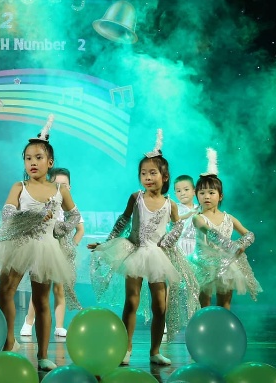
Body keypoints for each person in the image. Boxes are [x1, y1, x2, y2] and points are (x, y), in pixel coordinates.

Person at [89, 129, 198, 366]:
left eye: (152, 173)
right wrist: (107, 243)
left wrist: (168, 241)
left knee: (160, 306)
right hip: (134, 251)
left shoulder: (170, 204)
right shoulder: (136, 197)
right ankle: (125, 348)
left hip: (157, 255)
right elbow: (123, 221)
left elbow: (178, 226)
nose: (147, 177)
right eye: (143, 173)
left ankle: (155, 351)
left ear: (165, 176)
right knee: (132, 301)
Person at [0, 115, 81, 372]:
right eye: (28, 158)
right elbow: (7, 212)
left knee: (41, 301)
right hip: (20, 243)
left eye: (38, 157)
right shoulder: (19, 186)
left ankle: (42, 354)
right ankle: (9, 342)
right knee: (5, 292)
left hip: (45, 248)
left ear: (50, 162)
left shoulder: (59, 190)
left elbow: (75, 216)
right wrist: (31, 216)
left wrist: (61, 228)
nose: (33, 162)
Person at [189, 149, 262, 309]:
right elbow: (211, 233)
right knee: (204, 304)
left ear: (220, 196)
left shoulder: (229, 218)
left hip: (226, 263)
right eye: (202, 193)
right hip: (204, 265)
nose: (206, 196)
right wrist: (232, 247)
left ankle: (223, 324)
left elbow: (249, 234)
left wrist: (242, 245)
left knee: (225, 303)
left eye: (211, 192)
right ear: (197, 195)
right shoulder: (198, 218)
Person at [20, 167, 84, 339]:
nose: (61, 187)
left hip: (61, 250)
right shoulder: (45, 203)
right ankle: (29, 321)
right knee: (39, 287)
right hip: (43, 248)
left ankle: (59, 326)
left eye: (65, 184)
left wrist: (72, 245)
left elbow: (80, 229)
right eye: (57, 184)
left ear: (69, 187)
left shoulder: (70, 207)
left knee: (59, 288)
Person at [172, 174, 198, 257]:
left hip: (196, 246)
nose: (182, 193)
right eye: (178, 191)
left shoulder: (200, 208)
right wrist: (187, 214)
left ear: (194, 191)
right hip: (179, 245)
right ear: (175, 193)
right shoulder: (174, 208)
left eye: (186, 189)